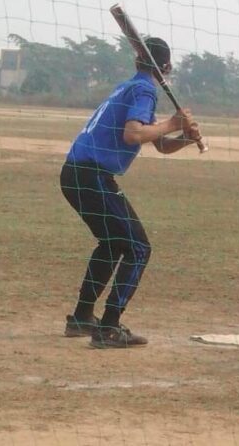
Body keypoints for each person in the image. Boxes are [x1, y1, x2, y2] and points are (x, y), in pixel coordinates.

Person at [60, 37, 203, 349]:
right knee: (138, 248)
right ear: (167, 67)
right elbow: (133, 134)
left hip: (77, 174)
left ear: (137, 59)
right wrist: (172, 122)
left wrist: (184, 136)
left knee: (113, 244)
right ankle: (109, 327)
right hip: (90, 175)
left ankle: (83, 317)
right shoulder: (144, 89)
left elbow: (160, 144)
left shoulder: (131, 86)